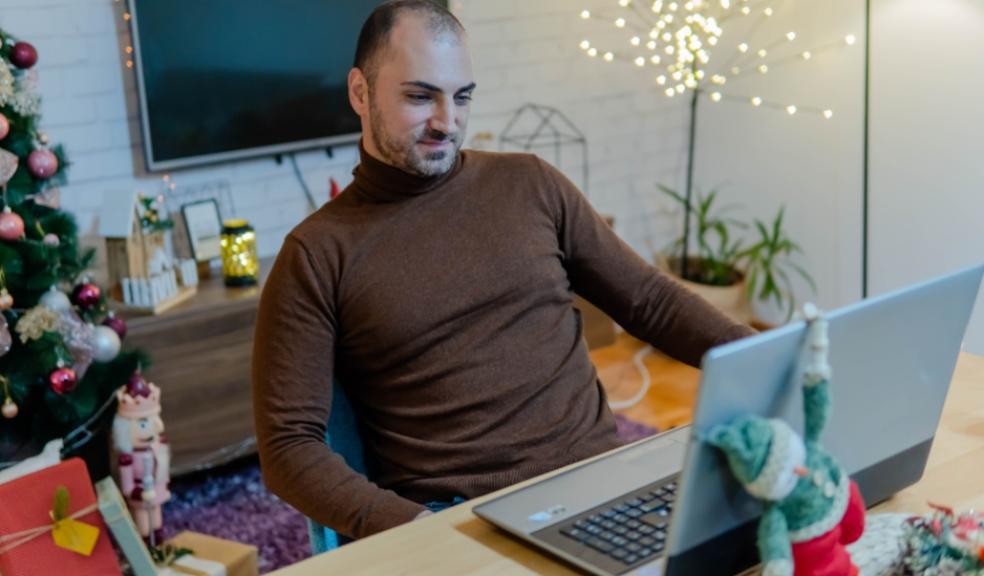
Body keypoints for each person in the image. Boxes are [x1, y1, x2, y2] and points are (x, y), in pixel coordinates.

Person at [252, 0, 754, 541]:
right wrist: (416, 530)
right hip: (468, 522)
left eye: (462, 97)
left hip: (605, 485)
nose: (448, 123)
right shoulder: (317, 254)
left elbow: (649, 301)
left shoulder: (531, 184)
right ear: (360, 92)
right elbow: (288, 447)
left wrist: (765, 359)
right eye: (421, 96)